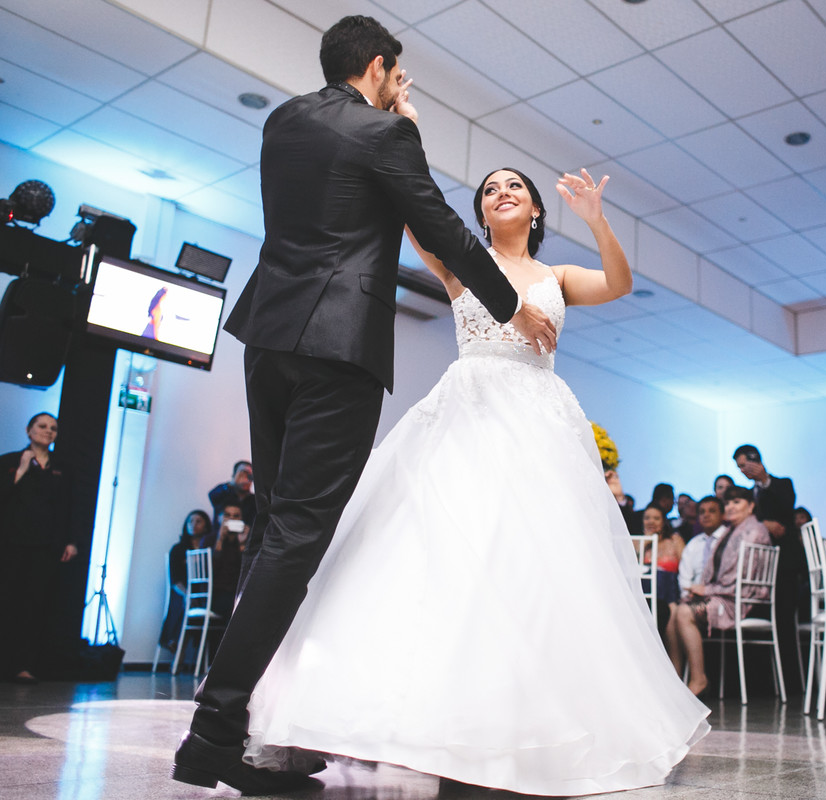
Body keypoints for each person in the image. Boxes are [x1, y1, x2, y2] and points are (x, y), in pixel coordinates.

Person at [172, 16, 557, 795]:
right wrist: (511, 302)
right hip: (335, 346)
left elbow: (328, 204)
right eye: (395, 76)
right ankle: (214, 735)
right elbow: (442, 228)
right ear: (380, 68)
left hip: (266, 335)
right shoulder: (387, 136)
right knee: (300, 539)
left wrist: (392, 122)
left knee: (277, 530)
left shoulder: (283, 120)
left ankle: (255, 728)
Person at [241, 163, 709, 795]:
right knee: (436, 554)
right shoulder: (462, 264)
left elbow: (620, 284)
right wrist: (400, 129)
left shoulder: (557, 277)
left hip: (541, 426)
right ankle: (402, 716)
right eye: (490, 190)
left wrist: (597, 221)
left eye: (514, 185)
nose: (502, 193)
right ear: (482, 214)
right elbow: (412, 215)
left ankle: (521, 720)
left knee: (533, 567)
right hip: (466, 414)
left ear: (537, 210)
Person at [665, 487, 771, 696]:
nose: (731, 507)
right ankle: (676, 679)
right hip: (726, 595)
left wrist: (707, 589)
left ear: (750, 506)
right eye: (729, 503)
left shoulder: (753, 531)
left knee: (685, 612)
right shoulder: (732, 532)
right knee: (676, 610)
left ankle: (698, 679)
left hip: (741, 600)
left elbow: (740, 579)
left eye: (737, 502)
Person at [0, 413, 78, 683]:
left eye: (53, 428)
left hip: (45, 546)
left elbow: (66, 507)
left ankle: (24, 665)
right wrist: (20, 471)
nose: (48, 431)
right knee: (6, 600)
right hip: (11, 544)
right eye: (42, 426)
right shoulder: (9, 461)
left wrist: (70, 541)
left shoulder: (61, 467)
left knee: (34, 606)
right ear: (29, 429)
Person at [733, 443, 805, 689]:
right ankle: (765, 684)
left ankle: (792, 683)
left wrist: (764, 478)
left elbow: (787, 505)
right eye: (739, 467)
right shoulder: (749, 494)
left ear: (756, 460)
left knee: (785, 621)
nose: (743, 470)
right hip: (759, 568)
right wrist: (765, 524)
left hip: (784, 563)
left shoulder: (781, 483)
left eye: (745, 464)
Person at [159, 510, 214, 657]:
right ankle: (176, 646)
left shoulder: (210, 549)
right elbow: (175, 580)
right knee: (186, 602)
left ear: (206, 526)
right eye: (191, 521)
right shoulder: (178, 550)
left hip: (204, 594)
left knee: (199, 602)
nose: (193, 525)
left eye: (198, 521)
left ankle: (178, 648)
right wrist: (187, 594)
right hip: (181, 592)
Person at [641, 505, 685, 636]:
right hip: (645, 595)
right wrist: (646, 541)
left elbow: (685, 565)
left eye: (656, 518)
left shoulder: (674, 540)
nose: (651, 522)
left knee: (672, 613)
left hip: (671, 595)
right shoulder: (638, 542)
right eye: (647, 518)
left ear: (663, 521)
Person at [679, 496, 726, 602]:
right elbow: (685, 576)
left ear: (723, 514)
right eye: (702, 512)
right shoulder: (694, 543)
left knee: (682, 613)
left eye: (712, 511)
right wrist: (686, 595)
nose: (706, 515)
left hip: (722, 596)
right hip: (694, 596)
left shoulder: (729, 540)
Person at [207, 460, 256, 530]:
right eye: (242, 474)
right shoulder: (223, 492)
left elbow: (251, 526)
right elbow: (212, 495)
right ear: (234, 475)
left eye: (249, 476)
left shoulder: (254, 501)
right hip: (220, 538)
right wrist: (233, 482)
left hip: (244, 539)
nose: (245, 478)